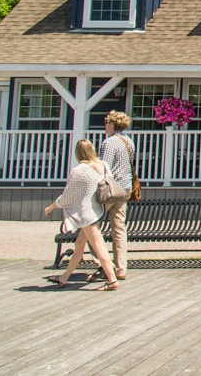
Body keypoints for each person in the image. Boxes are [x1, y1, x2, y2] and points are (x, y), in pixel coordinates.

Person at [43, 139, 118, 290]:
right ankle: (64, 278)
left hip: (85, 214)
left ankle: (112, 280)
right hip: (97, 210)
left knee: (99, 246)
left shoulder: (79, 171)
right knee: (79, 246)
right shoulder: (102, 166)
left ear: (78, 153)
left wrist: (51, 207)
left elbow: (67, 195)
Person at [91, 110, 134, 282]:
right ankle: (121, 267)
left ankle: (102, 264)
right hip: (125, 188)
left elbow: (104, 168)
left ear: (111, 124)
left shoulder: (109, 143)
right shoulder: (128, 141)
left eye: (106, 122)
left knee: (90, 226)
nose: (105, 125)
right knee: (119, 227)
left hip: (111, 190)